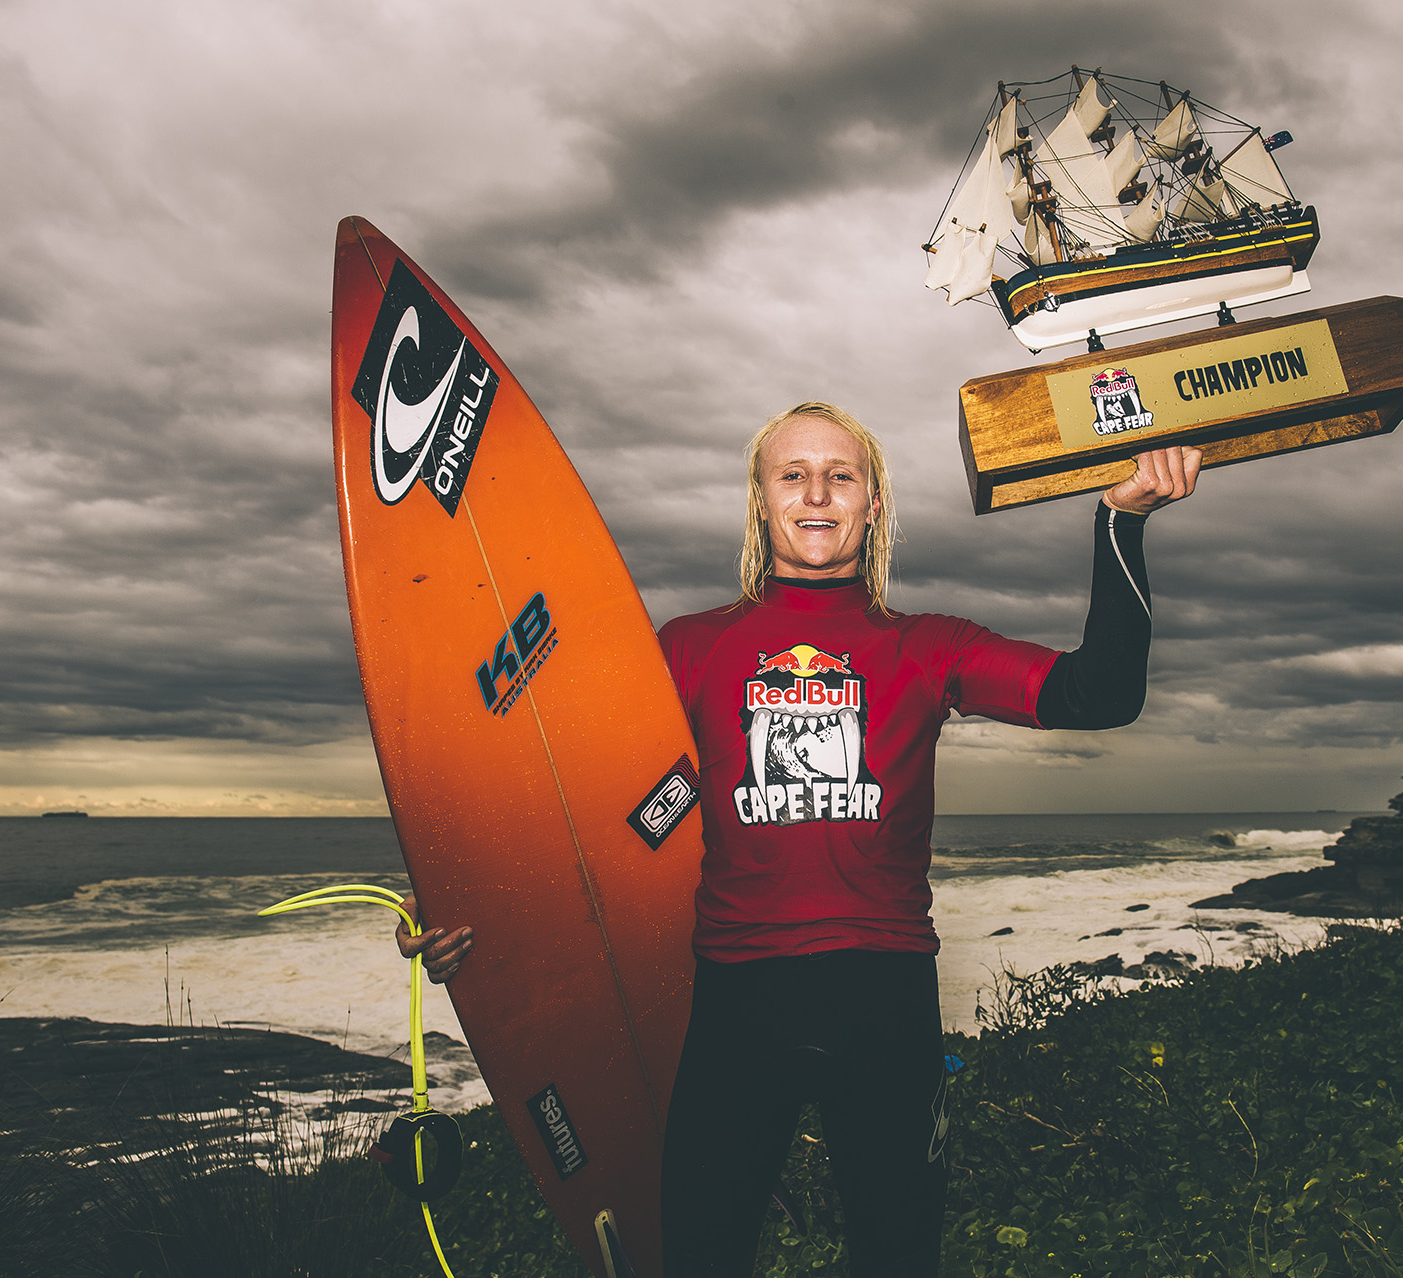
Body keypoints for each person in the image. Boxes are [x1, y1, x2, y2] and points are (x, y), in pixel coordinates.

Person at [399, 402, 1200, 1277]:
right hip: (738, 1003)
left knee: (898, 1258)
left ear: (873, 504)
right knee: (700, 1259)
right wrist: (460, 897)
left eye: (841, 475)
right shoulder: (684, 651)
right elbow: (574, 814)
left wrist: (1122, 519)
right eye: (793, 474)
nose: (817, 492)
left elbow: (1101, 694)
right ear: (761, 500)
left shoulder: (928, 648)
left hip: (885, 995)